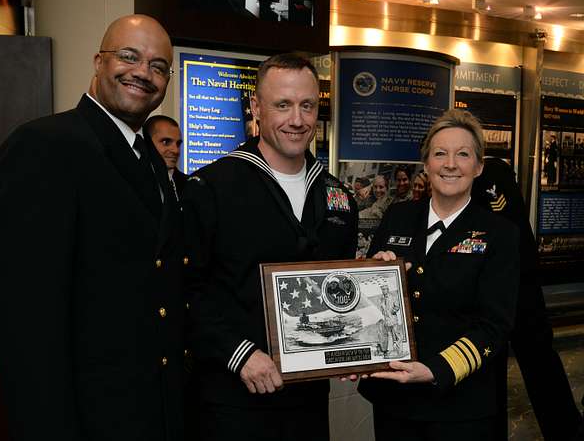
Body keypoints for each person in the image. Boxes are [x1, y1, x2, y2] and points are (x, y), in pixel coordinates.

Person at [0, 15, 188, 441]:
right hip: (87, 418)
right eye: (128, 57)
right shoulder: (43, 147)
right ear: (98, 61)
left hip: (150, 412)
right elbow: (20, 316)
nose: (142, 73)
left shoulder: (145, 155)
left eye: (158, 66)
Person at [182, 53, 358, 441]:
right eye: (283, 105)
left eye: (307, 105)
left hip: (309, 401)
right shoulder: (212, 188)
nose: (297, 120)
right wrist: (238, 353)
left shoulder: (338, 196)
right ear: (256, 107)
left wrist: (354, 340)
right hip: (233, 398)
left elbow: (339, 285)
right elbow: (185, 290)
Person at [359, 109, 520, 441]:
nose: (450, 164)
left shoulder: (499, 233)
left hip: (460, 405)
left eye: (463, 154)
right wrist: (374, 277)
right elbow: (370, 303)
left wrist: (436, 370)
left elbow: (495, 326)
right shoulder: (398, 216)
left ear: (478, 167)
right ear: (427, 165)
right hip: (394, 399)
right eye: (440, 153)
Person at [472, 156, 583, 441]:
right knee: (523, 365)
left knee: (534, 363)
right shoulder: (494, 169)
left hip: (516, 284)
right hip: (517, 283)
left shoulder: (492, 171)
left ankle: (566, 430)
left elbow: (504, 224)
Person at [145, 114, 187, 198]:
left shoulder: (188, 185)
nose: (176, 150)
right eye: (166, 142)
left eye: (178, 144)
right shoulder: (135, 181)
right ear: (147, 142)